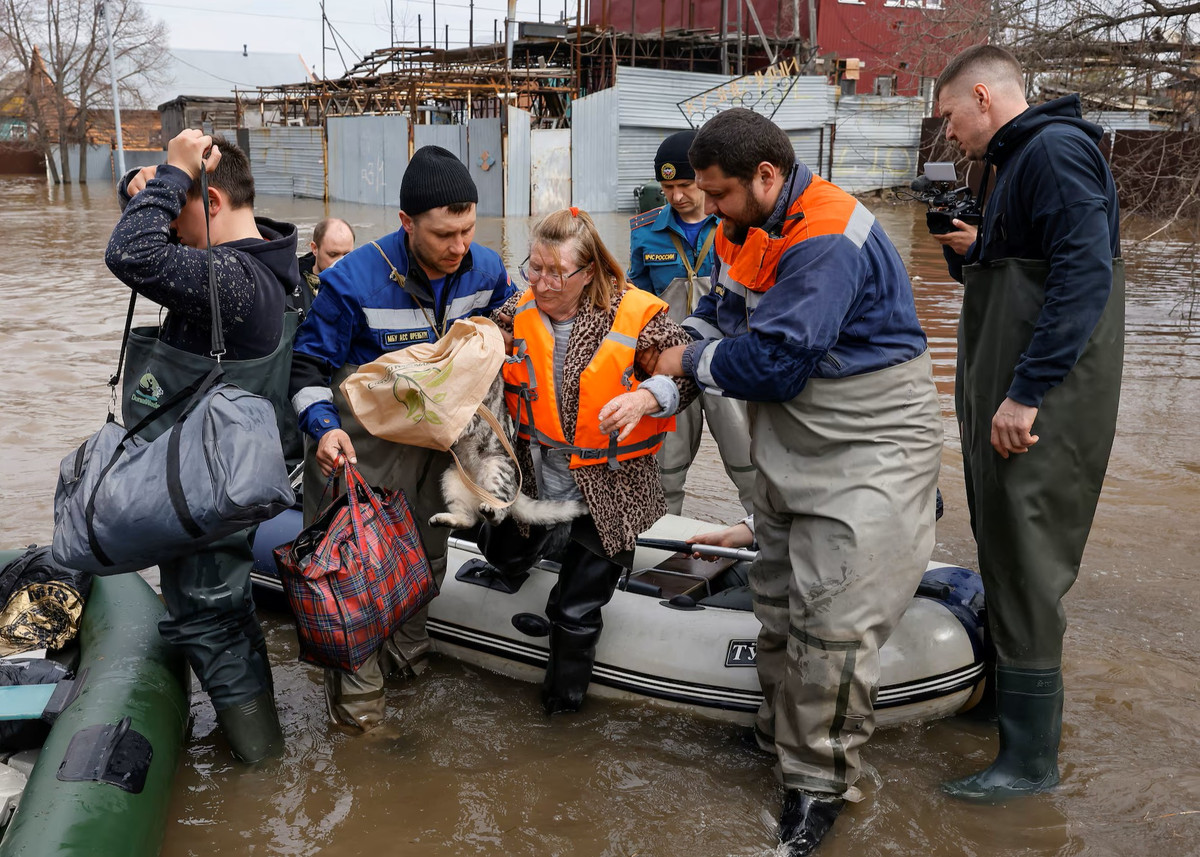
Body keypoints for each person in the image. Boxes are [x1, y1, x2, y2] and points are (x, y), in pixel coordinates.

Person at [649, 108, 943, 856]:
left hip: (869, 443)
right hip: (797, 444)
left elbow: (778, 364)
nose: (706, 208)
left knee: (832, 626)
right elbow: (719, 312)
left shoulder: (826, 238)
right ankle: (778, 742)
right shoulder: (740, 226)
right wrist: (680, 340)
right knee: (777, 606)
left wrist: (683, 367)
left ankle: (819, 787)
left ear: (767, 177)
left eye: (716, 194)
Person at [932, 45, 1124, 802]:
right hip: (1009, 391)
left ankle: (1030, 763)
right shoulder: (1016, 161)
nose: (949, 134)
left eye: (950, 117)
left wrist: (1027, 393)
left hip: (1040, 403)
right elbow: (1029, 267)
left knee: (1030, 558)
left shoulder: (1054, 152)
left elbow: (1085, 275)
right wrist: (975, 251)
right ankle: (1010, 713)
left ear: (983, 95)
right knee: (1004, 546)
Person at [288, 145, 515, 731]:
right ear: (406, 224)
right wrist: (323, 428)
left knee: (426, 559)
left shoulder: (486, 269)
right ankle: (363, 720)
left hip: (436, 446)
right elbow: (306, 368)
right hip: (359, 447)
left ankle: (409, 669)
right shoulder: (350, 280)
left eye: (467, 230)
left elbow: (512, 328)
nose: (458, 247)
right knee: (352, 578)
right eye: (443, 234)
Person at [105, 129, 300, 763]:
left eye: (181, 211)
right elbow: (142, 215)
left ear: (212, 201)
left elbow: (130, 251)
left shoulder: (231, 280)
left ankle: (264, 766)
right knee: (223, 613)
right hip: (212, 483)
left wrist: (169, 176)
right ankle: (252, 749)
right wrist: (155, 181)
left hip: (204, 493)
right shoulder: (266, 256)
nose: (172, 230)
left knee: (212, 620)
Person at [484, 207, 697, 715]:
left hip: (610, 488)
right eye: (534, 267)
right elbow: (480, 350)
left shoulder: (635, 315)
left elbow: (686, 373)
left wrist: (648, 397)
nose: (541, 280)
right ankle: (528, 555)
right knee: (503, 555)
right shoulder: (518, 310)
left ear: (590, 272)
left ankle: (562, 713)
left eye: (555, 271)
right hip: (538, 478)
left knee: (574, 610)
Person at [627, 130, 755, 516]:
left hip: (726, 360)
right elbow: (636, 302)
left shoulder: (738, 225)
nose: (677, 196)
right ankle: (660, 548)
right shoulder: (645, 231)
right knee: (665, 469)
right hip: (669, 367)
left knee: (750, 464)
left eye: (685, 185)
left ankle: (767, 544)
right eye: (667, 187)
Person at [295, 217, 356, 313]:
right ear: (314, 248)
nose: (340, 262)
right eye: (333, 255)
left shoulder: (362, 286)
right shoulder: (292, 287)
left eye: (347, 255)